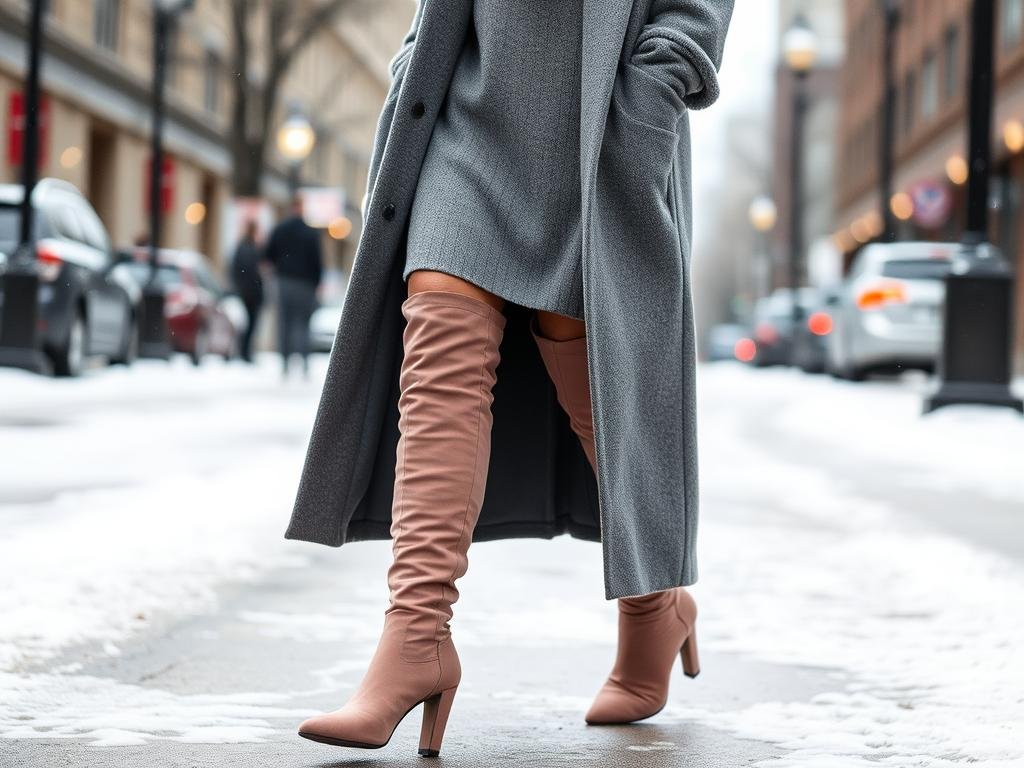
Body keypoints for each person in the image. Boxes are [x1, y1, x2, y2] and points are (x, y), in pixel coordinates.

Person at [286, 0, 733, 756]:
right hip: (465, 117)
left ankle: (655, 608)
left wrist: (650, 99)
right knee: (439, 354)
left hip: (601, 127)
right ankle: (415, 636)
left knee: (597, 388)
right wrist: (412, 61)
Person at [263, 195, 322, 377]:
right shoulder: (310, 232)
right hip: (305, 284)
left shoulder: (280, 229)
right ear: (302, 208)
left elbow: (268, 255)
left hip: (284, 281)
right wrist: (316, 283)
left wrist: (279, 267)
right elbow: (317, 261)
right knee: (303, 324)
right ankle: (303, 362)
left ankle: (285, 363)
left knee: (284, 323)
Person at [229, 220, 264, 363]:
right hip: (251, 293)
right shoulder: (251, 248)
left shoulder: (242, 247)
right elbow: (252, 272)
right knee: (250, 324)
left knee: (247, 324)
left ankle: (244, 352)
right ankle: (245, 353)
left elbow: (235, 270)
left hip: (245, 292)